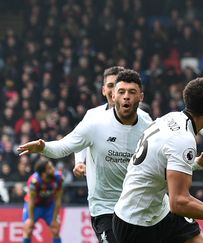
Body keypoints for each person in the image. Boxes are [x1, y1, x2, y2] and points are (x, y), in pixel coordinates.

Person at [17, 69, 153, 243]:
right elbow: (66, 145)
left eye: (131, 92)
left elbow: (160, 157)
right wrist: (44, 147)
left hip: (135, 203)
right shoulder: (95, 121)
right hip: (104, 206)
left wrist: (193, 164)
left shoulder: (147, 123)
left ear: (140, 97)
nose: (126, 96)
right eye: (120, 91)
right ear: (111, 94)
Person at [112, 77, 203, 243]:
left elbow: (159, 161)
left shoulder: (172, 118)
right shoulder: (183, 139)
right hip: (136, 224)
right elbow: (179, 203)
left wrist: (196, 164)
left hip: (159, 211)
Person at [73, 66, 125, 177]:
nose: (113, 91)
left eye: (117, 86)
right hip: (98, 190)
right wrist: (79, 162)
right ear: (103, 90)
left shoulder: (139, 116)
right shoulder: (92, 115)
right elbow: (79, 141)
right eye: (110, 85)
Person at [22, 159, 63, 243]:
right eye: (49, 168)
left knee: (55, 230)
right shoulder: (34, 181)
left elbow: (58, 200)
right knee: (28, 229)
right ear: (43, 174)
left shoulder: (58, 178)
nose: (53, 169)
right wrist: (31, 219)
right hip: (35, 206)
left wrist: (54, 219)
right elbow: (31, 201)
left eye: (52, 166)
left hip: (49, 206)